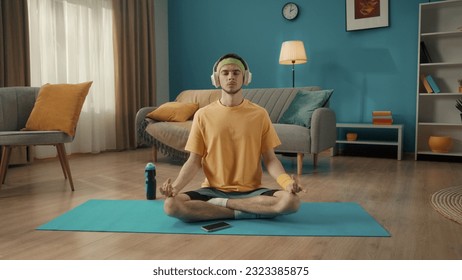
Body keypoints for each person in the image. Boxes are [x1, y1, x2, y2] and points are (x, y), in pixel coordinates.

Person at [160, 53, 303, 222]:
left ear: (245, 78)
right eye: (225, 73)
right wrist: (175, 188)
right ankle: (249, 211)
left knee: (292, 202)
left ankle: (221, 206)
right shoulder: (202, 115)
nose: (231, 77)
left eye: (236, 73)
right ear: (216, 79)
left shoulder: (260, 114)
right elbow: (194, 161)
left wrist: (287, 183)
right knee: (171, 205)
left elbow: (271, 159)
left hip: (252, 192)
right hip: (212, 190)